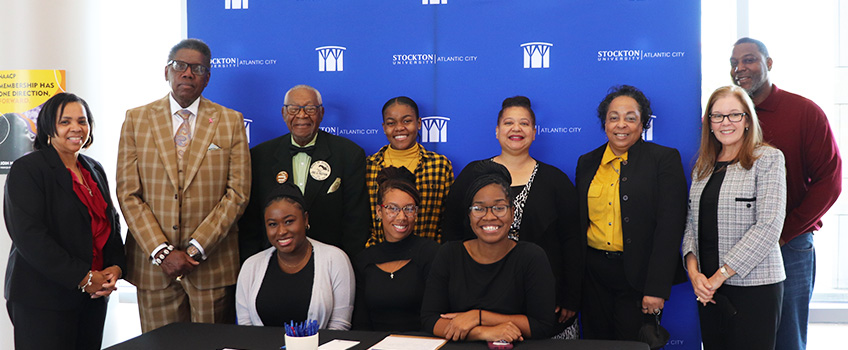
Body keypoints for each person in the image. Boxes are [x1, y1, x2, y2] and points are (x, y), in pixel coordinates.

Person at [117, 38, 251, 332]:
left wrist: (195, 249)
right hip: (154, 268)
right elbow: (128, 194)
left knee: (211, 344)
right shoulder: (136, 120)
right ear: (167, 71)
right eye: (180, 66)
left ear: (207, 77)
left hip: (211, 264)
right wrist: (162, 251)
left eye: (198, 68)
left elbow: (237, 194)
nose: (188, 73)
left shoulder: (230, 122)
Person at [730, 37, 841, 350]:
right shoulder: (726, 117)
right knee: (741, 336)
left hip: (788, 247)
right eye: (734, 63)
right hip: (734, 248)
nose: (740, 68)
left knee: (787, 338)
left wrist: (783, 232)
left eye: (749, 59)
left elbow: (829, 182)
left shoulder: (804, 112)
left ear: (768, 63)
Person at [442, 96, 580, 337]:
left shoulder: (556, 181)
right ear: (497, 131)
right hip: (477, 298)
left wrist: (571, 296)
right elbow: (451, 233)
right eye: (508, 123)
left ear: (535, 132)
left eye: (524, 123)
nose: (516, 129)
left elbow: (572, 242)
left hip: (541, 300)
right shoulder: (472, 175)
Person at [4, 93, 126, 349]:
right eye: (65, 121)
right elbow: (30, 237)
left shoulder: (93, 168)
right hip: (42, 299)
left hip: (93, 298)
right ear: (49, 126)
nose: (75, 128)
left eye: (82, 121)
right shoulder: (28, 169)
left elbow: (110, 223)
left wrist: (115, 266)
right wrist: (83, 278)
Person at [575, 85, 687, 342]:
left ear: (643, 123)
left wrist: (656, 288)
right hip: (593, 278)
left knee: (632, 345)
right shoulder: (587, 162)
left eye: (630, 118)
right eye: (613, 117)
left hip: (638, 278)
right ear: (605, 122)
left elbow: (670, 228)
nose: (621, 125)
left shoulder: (664, 159)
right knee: (595, 344)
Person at [683, 85, 786, 350]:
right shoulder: (702, 166)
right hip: (708, 290)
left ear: (748, 120)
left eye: (734, 115)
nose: (725, 122)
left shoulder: (768, 159)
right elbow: (690, 223)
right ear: (709, 123)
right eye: (717, 116)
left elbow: (768, 227)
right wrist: (695, 274)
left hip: (754, 288)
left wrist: (719, 276)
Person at [422, 161, 556, 342]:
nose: (490, 216)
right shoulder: (449, 254)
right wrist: (482, 332)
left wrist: (479, 317)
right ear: (469, 215)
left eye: (499, 208)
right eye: (479, 209)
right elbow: (431, 319)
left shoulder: (531, 257)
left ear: (512, 213)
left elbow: (541, 326)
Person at [239, 84, 370, 260]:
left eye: (310, 108)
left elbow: (356, 223)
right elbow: (251, 223)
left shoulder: (349, 154)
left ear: (321, 113)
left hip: (330, 262)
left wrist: (348, 267)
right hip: (274, 262)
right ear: (284, 113)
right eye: (294, 109)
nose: (302, 115)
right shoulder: (260, 156)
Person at [236, 182, 355, 329]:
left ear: (305, 219)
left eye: (289, 221)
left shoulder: (335, 259)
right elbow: (246, 329)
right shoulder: (251, 266)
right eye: (272, 224)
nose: (281, 231)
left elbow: (339, 326)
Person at [353, 167, 440, 331]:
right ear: (379, 211)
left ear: (416, 213)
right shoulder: (363, 260)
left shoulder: (433, 254)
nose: (401, 217)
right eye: (392, 208)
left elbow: (436, 317)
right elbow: (360, 325)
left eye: (409, 209)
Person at [366, 96, 453, 244]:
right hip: (380, 257)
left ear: (419, 123)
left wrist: (438, 253)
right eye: (391, 123)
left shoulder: (439, 165)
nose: (399, 128)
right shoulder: (369, 166)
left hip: (429, 258)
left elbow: (449, 219)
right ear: (384, 127)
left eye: (407, 121)